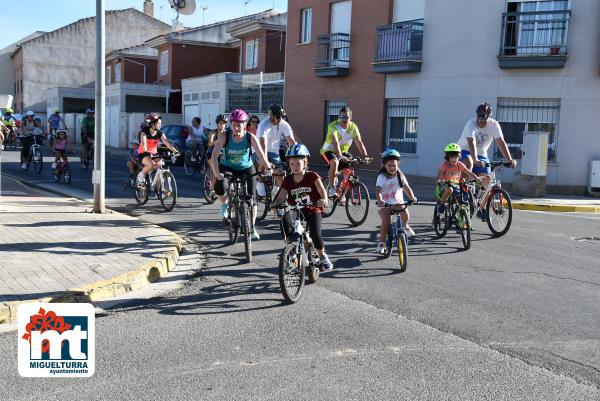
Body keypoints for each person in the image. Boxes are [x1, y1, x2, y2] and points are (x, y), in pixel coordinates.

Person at [210, 109, 272, 240]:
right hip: (228, 167)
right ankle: (224, 205)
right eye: (233, 124)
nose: (236, 127)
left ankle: (252, 227)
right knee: (220, 187)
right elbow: (214, 156)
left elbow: (261, 155)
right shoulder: (225, 136)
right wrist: (217, 174)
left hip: (246, 168)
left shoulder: (250, 137)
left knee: (252, 199)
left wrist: (268, 168)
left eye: (239, 124)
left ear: (245, 124)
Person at [270, 143, 333, 271]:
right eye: (292, 164)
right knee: (285, 221)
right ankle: (292, 252)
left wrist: (324, 199)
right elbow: (281, 196)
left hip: (313, 209)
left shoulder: (312, 176)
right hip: (296, 210)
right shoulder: (288, 180)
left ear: (305, 162)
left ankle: (322, 256)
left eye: (298, 163)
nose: (295, 167)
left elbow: (322, 192)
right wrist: (274, 204)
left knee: (315, 234)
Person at [375, 149, 418, 254]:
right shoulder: (382, 176)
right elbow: (378, 190)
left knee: (405, 212)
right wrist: (380, 200)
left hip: (397, 202)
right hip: (385, 203)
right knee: (386, 222)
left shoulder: (400, 175)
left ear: (397, 164)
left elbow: (407, 187)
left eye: (394, 165)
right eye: (389, 165)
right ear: (384, 165)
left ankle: (405, 226)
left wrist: (412, 197)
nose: (392, 168)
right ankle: (381, 243)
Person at [320, 106, 369, 198]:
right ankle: (332, 187)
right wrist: (339, 156)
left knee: (350, 173)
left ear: (350, 117)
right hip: (328, 151)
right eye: (341, 117)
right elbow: (335, 142)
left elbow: (359, 142)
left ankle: (342, 195)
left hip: (343, 152)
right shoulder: (333, 126)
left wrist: (365, 156)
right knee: (335, 161)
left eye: (346, 117)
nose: (343, 119)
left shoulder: (353, 127)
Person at [256, 104, 296, 195]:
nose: (280, 119)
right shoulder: (263, 124)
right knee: (263, 160)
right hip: (260, 150)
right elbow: (263, 143)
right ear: (271, 116)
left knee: (280, 173)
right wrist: (266, 163)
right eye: (278, 117)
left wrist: (295, 157)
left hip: (274, 153)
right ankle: (260, 182)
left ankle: (281, 199)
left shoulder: (284, 124)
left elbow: (291, 141)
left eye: (282, 117)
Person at [136, 112, 179, 188]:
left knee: (160, 168)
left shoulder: (160, 133)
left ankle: (160, 191)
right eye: (158, 123)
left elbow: (167, 143)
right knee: (151, 165)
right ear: (152, 124)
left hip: (154, 153)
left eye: (160, 123)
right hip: (143, 153)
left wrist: (175, 151)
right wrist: (146, 151)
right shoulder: (145, 131)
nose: (160, 125)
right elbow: (143, 142)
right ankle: (141, 175)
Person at [436, 143, 480, 214]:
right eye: (452, 157)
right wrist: (442, 181)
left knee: (464, 185)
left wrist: (476, 178)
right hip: (445, 186)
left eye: (456, 157)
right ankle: (442, 203)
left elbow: (469, 173)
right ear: (448, 157)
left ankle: (463, 204)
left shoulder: (459, 164)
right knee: (450, 189)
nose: (454, 159)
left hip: (456, 185)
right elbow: (439, 177)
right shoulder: (444, 165)